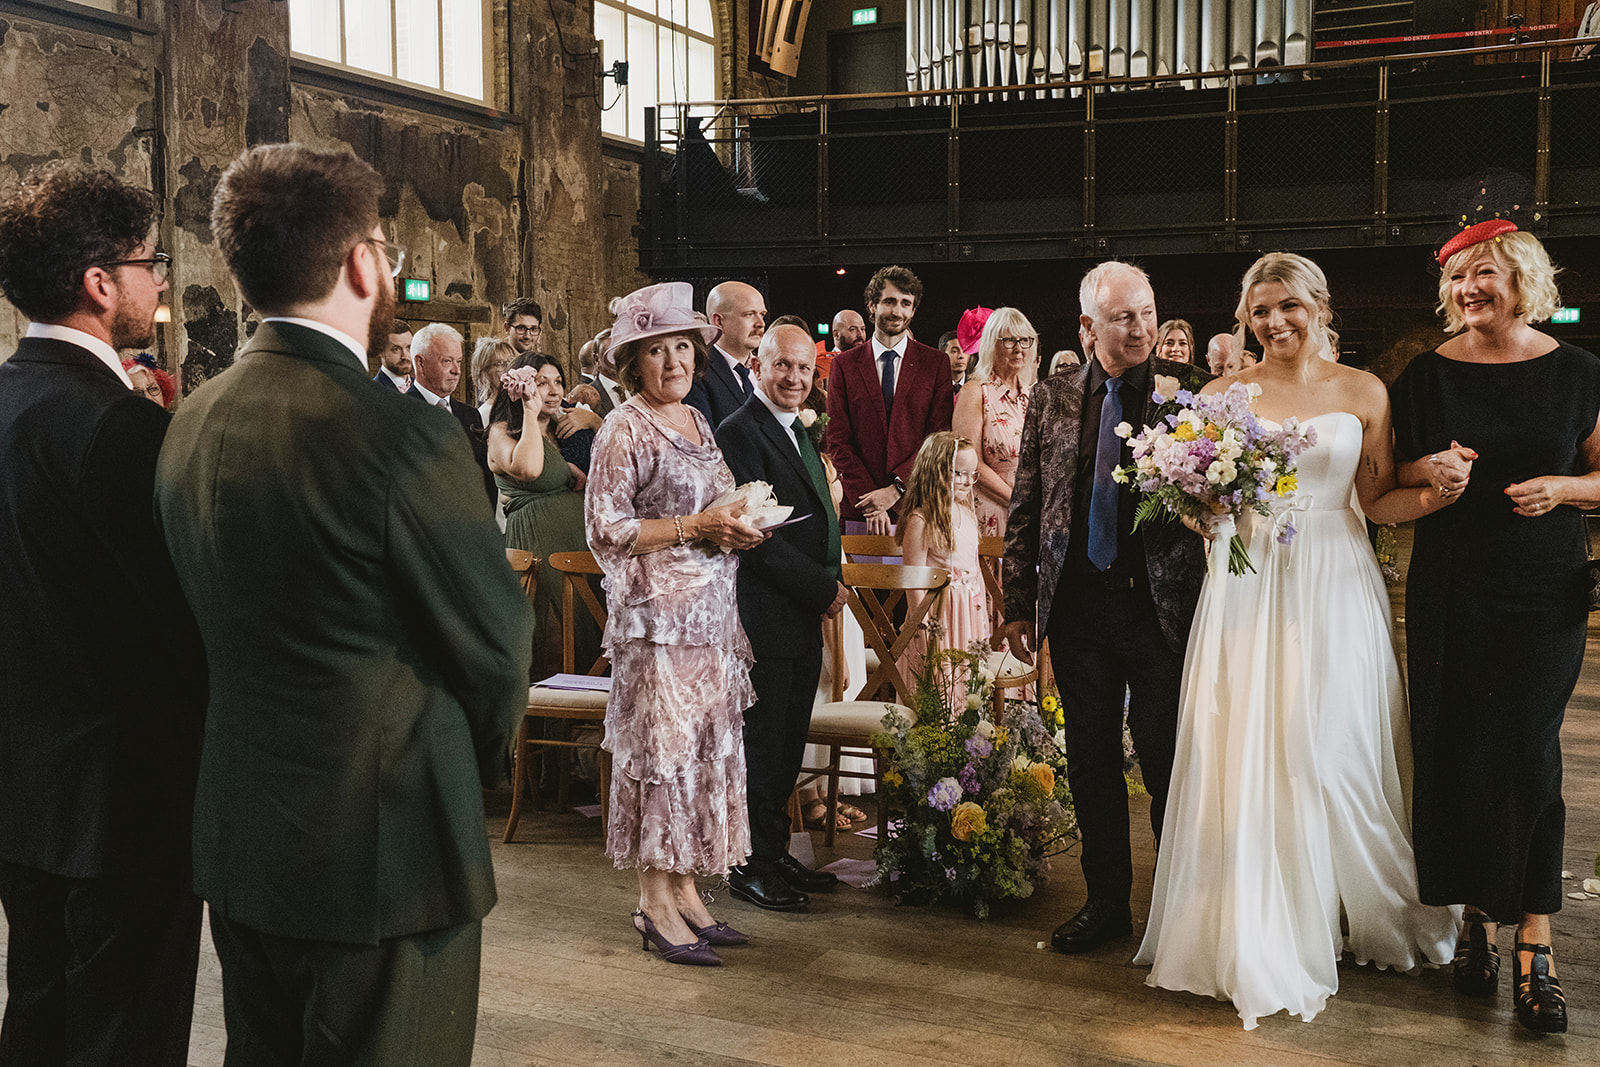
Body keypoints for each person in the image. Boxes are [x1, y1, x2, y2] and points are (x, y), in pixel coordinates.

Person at [155, 142, 532, 1064]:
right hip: (388, 848)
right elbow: (496, 645)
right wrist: (473, 769)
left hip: (243, 836)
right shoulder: (399, 435)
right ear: (365, 263)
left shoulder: (189, 421)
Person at [1135, 251, 1460, 1029]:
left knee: (1340, 741)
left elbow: (1376, 499)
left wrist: (1435, 493)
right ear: (1245, 319)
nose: (1275, 321)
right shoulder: (1221, 394)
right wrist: (1202, 505)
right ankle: (1266, 916)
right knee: (1260, 737)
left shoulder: (1365, 391)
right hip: (1251, 580)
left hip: (1337, 577)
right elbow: (1197, 504)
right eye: (1260, 310)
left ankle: (1354, 907)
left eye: (1288, 305)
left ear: (1319, 304)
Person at [0, 161, 207, 1066]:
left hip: (20, 790)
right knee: (127, 1035)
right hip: (127, 800)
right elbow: (181, 621)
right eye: (148, 262)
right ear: (99, 283)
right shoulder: (118, 427)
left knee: (37, 1020)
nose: (157, 281)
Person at [1390, 220, 1600, 1035]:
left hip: (1543, 588)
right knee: (1462, 746)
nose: (1468, 288)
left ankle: (1535, 940)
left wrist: (1565, 488)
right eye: (1457, 278)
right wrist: (1430, 470)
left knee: (1526, 750)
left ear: (1522, 277)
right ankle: (1476, 914)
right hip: (1451, 586)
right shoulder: (1426, 375)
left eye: (1484, 273)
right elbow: (1391, 474)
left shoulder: (1578, 372)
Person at [999, 261, 1210, 956]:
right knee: (1090, 761)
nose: (1142, 328)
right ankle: (1107, 902)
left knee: (1166, 759)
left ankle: (1179, 910)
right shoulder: (1053, 396)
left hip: (1159, 610)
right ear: (1089, 326)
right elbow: (1027, 503)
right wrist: (1018, 602)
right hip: (1078, 610)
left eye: (1148, 312)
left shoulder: (1186, 393)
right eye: (1124, 317)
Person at [584, 281, 767, 966]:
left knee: (700, 755)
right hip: (657, 624)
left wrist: (740, 523)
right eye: (657, 350)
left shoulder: (696, 418)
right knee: (662, 759)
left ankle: (687, 892)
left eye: (683, 348)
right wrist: (697, 526)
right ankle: (654, 903)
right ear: (634, 362)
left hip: (711, 617)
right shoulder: (623, 427)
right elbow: (608, 528)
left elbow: (715, 504)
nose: (674, 362)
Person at [715, 324, 850, 912]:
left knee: (790, 738)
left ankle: (772, 849)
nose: (795, 378)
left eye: (803, 368)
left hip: (798, 611)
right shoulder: (739, 431)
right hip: (766, 610)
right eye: (782, 366)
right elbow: (755, 537)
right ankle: (750, 864)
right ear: (757, 366)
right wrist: (822, 588)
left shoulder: (798, 428)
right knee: (765, 743)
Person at [825, 265, 956, 535]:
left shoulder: (935, 363)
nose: (897, 311)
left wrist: (897, 489)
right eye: (889, 301)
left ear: (913, 310)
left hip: (915, 504)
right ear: (872, 306)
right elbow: (837, 440)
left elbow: (937, 438)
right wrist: (872, 501)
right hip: (860, 508)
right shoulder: (844, 365)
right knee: (857, 567)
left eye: (905, 303)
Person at [489, 352, 596, 678]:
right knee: (553, 650)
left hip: (581, 552)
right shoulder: (502, 431)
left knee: (592, 646)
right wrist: (530, 412)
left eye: (558, 382)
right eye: (541, 383)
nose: (553, 390)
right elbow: (530, 468)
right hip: (539, 553)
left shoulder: (564, 432)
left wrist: (596, 421)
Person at [898, 432, 990, 669]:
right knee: (939, 679)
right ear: (935, 471)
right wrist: (923, 630)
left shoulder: (968, 514)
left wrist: (983, 615)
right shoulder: (921, 520)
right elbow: (914, 582)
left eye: (972, 474)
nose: (969, 482)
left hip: (967, 612)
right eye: (960, 473)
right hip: (938, 614)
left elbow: (975, 569)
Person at [953, 306, 1037, 539]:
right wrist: (1018, 503)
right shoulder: (975, 392)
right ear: (991, 345)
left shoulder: (1033, 395)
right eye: (1009, 340)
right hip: (990, 514)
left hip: (1031, 516)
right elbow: (970, 464)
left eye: (1025, 340)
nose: (1019, 348)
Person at [409, 322, 495, 504]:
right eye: (447, 361)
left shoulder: (471, 416)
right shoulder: (399, 413)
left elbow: (485, 478)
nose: (456, 371)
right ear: (420, 363)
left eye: (459, 361)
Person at [686, 280, 766, 427]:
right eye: (749, 314)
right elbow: (707, 438)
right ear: (718, 321)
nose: (760, 323)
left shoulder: (767, 369)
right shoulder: (698, 372)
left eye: (762, 314)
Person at [470, 335, 516, 425]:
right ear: (485, 372)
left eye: (511, 361)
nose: (508, 368)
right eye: (500, 363)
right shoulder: (485, 414)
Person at [373, 318, 412, 390]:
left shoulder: (421, 387)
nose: (405, 356)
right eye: (396, 349)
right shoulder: (372, 391)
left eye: (408, 347)